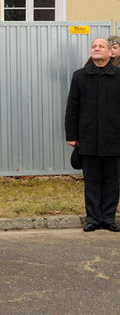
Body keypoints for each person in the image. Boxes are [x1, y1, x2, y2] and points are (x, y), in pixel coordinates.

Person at [65, 37, 120, 232]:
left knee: (112, 181)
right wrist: (71, 135)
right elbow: (72, 107)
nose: (96, 49)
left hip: (114, 139)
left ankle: (108, 218)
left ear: (109, 52)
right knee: (92, 180)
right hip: (87, 138)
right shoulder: (79, 76)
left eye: (101, 46)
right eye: (94, 46)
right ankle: (93, 219)